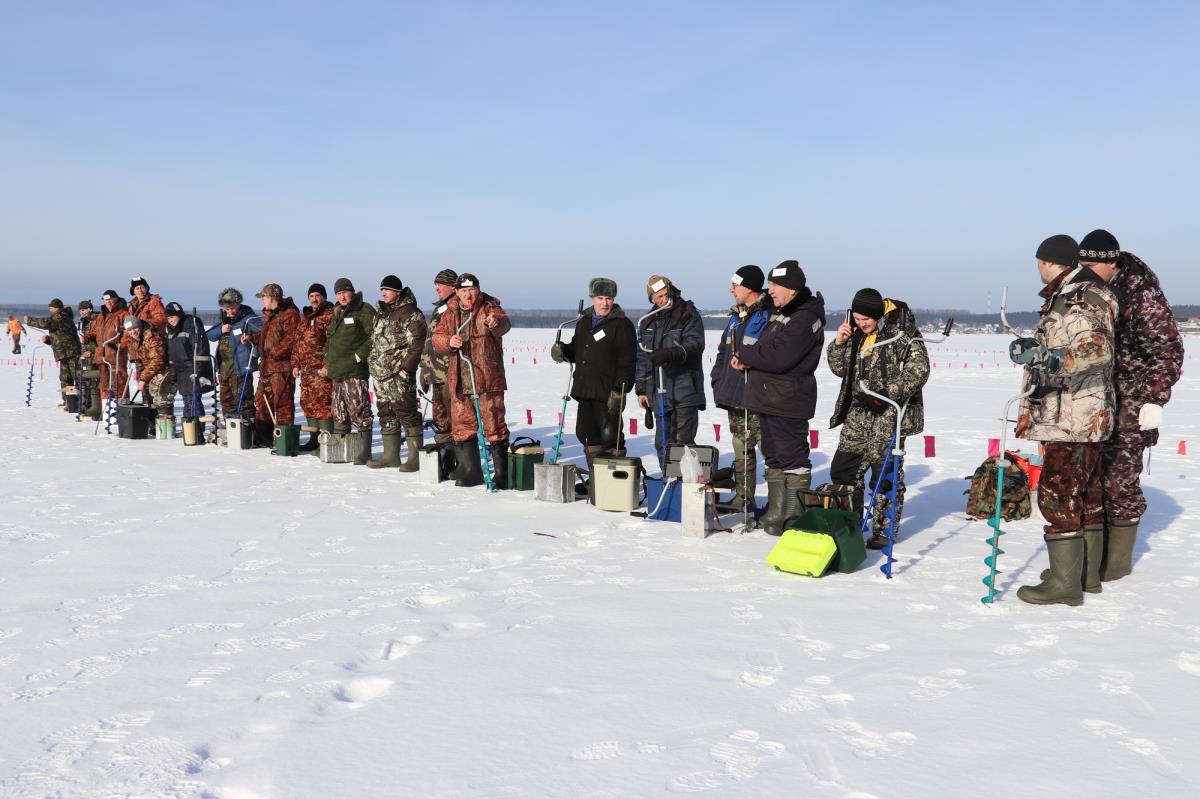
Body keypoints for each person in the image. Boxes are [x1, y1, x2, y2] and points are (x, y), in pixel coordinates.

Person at [1010, 234, 1118, 606]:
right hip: (1076, 413)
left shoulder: (1078, 296)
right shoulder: (1070, 293)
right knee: (1084, 493)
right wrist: (1037, 351)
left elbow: (1097, 349)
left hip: (1074, 414)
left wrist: (1054, 360)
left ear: (1047, 261)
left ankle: (1065, 584)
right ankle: (1083, 574)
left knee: (1058, 494)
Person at [1076, 229, 1184, 583]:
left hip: (1132, 399)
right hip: (1094, 398)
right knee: (1092, 478)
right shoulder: (1091, 289)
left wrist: (1154, 398)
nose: (1085, 270)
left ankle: (1117, 563)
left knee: (1120, 479)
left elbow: (1167, 349)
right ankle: (1091, 559)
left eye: (1091, 264)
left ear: (1111, 262)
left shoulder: (1142, 294)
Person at [826, 288, 930, 548]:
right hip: (858, 412)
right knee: (844, 469)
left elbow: (920, 370)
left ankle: (883, 531)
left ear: (879, 315)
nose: (861, 324)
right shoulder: (856, 335)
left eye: (866, 320)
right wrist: (839, 342)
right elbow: (840, 369)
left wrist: (886, 393)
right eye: (857, 318)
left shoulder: (902, 333)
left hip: (888, 414)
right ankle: (848, 525)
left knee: (884, 473)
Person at [735, 260, 826, 535]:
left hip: (788, 399)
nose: (770, 290)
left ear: (792, 289)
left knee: (793, 456)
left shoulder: (805, 317)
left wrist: (746, 356)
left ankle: (793, 514)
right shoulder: (779, 311)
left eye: (775, 285)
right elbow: (762, 344)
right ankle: (777, 513)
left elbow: (780, 356)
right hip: (768, 397)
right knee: (774, 455)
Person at [550, 277, 637, 486]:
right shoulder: (584, 322)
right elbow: (578, 349)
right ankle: (597, 482)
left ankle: (614, 484)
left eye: (608, 298)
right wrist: (564, 351)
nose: (605, 303)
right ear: (592, 298)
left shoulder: (622, 325)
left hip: (608, 392)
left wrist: (620, 391)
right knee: (586, 434)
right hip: (585, 388)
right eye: (600, 298)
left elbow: (628, 361)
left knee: (610, 436)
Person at [431, 273, 512, 488]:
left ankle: (503, 474)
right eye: (464, 290)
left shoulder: (490, 307)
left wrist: (496, 323)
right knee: (463, 426)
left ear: (478, 289)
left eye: (472, 290)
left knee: (494, 424)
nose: (468, 294)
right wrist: (448, 341)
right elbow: (437, 338)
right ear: (457, 292)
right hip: (461, 379)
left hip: (487, 379)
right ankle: (472, 470)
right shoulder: (450, 313)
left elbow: (504, 324)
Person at [710, 266, 772, 517]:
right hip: (735, 395)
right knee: (740, 448)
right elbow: (723, 353)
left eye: (735, 285)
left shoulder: (767, 315)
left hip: (759, 398)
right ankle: (743, 498)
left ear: (749, 288)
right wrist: (717, 380)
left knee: (769, 450)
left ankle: (779, 502)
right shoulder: (736, 317)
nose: (731, 289)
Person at [635, 275, 706, 457]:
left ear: (672, 291)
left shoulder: (688, 313)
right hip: (659, 394)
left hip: (685, 390)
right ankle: (668, 481)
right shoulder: (647, 321)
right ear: (652, 299)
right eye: (658, 297)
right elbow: (643, 357)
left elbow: (695, 345)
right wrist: (642, 389)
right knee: (662, 443)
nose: (663, 300)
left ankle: (683, 483)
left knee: (682, 444)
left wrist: (669, 354)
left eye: (666, 294)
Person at [367, 275, 427, 470]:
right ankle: (390, 455)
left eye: (387, 289)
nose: (383, 293)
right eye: (381, 289)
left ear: (397, 292)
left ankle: (414, 458)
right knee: (385, 413)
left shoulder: (411, 313)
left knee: (407, 413)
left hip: (399, 374)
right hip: (380, 375)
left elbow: (417, 343)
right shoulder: (381, 313)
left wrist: (406, 369)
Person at [322, 277, 375, 465]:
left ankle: (363, 452)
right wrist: (327, 359)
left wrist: (359, 356)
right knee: (339, 412)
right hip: (337, 371)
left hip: (354, 371)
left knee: (359, 410)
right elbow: (331, 340)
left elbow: (374, 336)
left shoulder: (364, 310)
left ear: (352, 291)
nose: (342, 296)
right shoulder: (337, 312)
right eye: (338, 293)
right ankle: (342, 450)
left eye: (345, 292)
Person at [246, 283, 300, 446]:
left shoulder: (289, 314)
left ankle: (285, 441)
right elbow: (268, 335)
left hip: (281, 369)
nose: (262, 301)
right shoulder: (271, 316)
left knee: (282, 404)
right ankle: (263, 439)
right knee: (262, 401)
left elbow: (292, 339)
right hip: (266, 368)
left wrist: (274, 353)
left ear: (270, 297)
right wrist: (253, 338)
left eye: (263, 297)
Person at [290, 283, 336, 451]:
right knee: (308, 404)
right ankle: (314, 440)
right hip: (306, 372)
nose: (314, 299)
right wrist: (295, 364)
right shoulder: (306, 318)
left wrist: (328, 365)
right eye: (311, 297)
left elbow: (334, 343)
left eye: (317, 296)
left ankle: (326, 441)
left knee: (323, 405)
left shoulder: (330, 315)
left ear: (324, 297)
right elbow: (297, 343)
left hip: (321, 371)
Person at [419, 269, 459, 455]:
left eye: (439, 284)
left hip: (449, 373)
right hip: (435, 373)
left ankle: (456, 457)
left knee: (451, 418)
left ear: (452, 286)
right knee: (440, 418)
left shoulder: (457, 307)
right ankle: (445, 457)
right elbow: (430, 341)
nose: (436, 288)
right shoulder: (440, 307)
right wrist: (424, 370)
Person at [206, 288, 259, 425]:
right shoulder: (225, 320)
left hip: (241, 370)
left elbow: (264, 335)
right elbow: (209, 335)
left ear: (238, 304)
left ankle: (248, 431)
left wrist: (250, 338)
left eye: (231, 309)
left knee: (244, 402)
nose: (229, 312)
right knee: (226, 402)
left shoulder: (249, 319)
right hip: (224, 370)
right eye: (226, 309)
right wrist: (221, 330)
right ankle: (231, 430)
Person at [25, 299, 82, 409]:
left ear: (57, 308)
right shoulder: (60, 318)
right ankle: (70, 403)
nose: (50, 311)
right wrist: (48, 340)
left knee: (77, 377)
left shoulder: (60, 316)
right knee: (66, 378)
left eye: (51, 308)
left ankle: (84, 402)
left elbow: (47, 323)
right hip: (64, 354)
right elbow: (61, 337)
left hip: (71, 353)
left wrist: (30, 320)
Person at [164, 302, 214, 421]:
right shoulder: (171, 330)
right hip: (180, 370)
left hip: (192, 369)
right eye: (168, 318)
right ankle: (190, 427)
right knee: (187, 400)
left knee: (192, 401)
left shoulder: (192, 326)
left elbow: (201, 350)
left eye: (173, 317)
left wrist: (199, 371)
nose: (171, 320)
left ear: (180, 315)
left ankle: (196, 430)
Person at [82, 290, 130, 404]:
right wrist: (86, 337)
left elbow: (129, 334)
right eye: (106, 300)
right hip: (102, 357)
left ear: (116, 300)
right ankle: (106, 412)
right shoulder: (100, 316)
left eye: (110, 300)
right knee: (104, 386)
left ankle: (122, 411)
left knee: (119, 384)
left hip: (116, 356)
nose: (108, 302)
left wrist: (120, 346)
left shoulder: (124, 314)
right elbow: (94, 332)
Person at [122, 316, 170, 417]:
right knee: (148, 402)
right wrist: (141, 378)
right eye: (130, 330)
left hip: (161, 372)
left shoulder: (153, 337)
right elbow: (139, 360)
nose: (133, 332)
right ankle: (151, 426)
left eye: (135, 328)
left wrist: (143, 378)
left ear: (140, 326)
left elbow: (158, 360)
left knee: (161, 401)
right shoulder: (132, 339)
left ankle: (164, 426)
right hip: (147, 373)